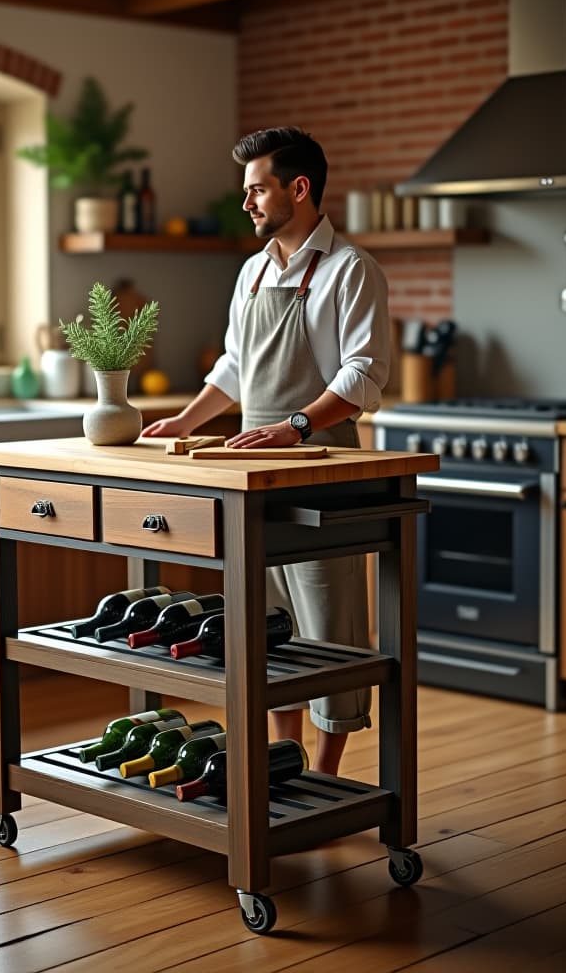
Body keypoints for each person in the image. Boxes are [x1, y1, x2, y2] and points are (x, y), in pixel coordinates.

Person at [142, 127, 390, 775]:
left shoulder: (350, 270)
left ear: (298, 189)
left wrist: (296, 428)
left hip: (320, 470)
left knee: (329, 628)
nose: (247, 203)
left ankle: (327, 778)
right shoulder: (251, 273)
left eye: (257, 190)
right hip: (253, 473)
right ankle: (286, 763)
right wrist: (184, 420)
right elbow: (235, 365)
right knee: (267, 625)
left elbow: (363, 375)